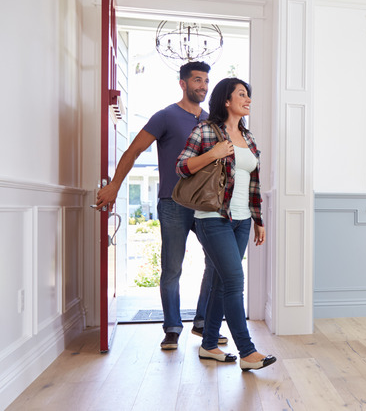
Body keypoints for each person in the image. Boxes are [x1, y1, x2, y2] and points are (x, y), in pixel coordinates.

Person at [95, 61, 228, 350]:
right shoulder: (166, 116)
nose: (203, 86)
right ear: (183, 83)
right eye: (197, 80)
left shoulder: (211, 122)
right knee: (172, 268)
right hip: (173, 203)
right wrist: (115, 185)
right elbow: (133, 150)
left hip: (206, 206)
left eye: (206, 81)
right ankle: (172, 327)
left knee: (217, 263)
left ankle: (203, 322)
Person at [176, 77, 276, 371]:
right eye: (242, 95)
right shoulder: (206, 131)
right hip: (213, 219)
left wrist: (259, 221)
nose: (248, 100)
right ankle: (247, 352)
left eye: (249, 95)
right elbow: (181, 167)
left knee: (221, 282)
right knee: (234, 282)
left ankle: (208, 345)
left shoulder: (250, 137)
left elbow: (254, 183)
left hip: (242, 221)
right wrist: (213, 153)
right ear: (226, 101)